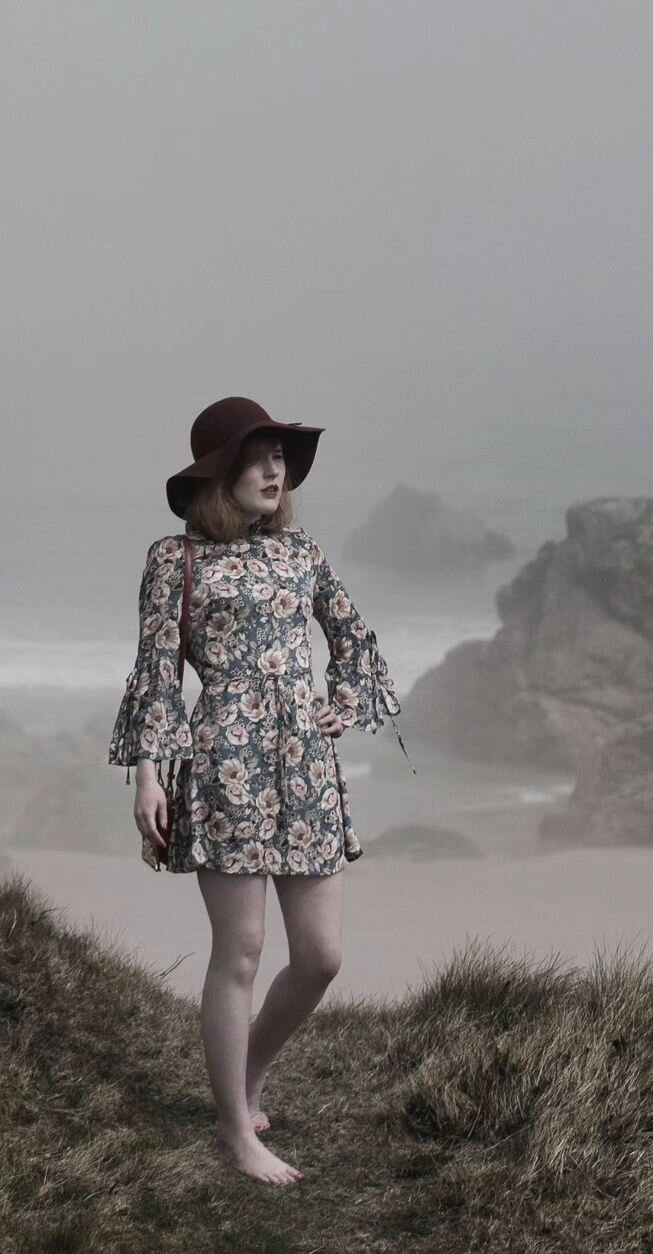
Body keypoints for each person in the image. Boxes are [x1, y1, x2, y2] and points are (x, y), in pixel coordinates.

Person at [108, 397, 414, 1187]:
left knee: (320, 957)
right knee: (239, 953)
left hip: (306, 768)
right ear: (220, 474)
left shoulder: (302, 553)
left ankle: (247, 1080)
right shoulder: (173, 562)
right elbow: (156, 673)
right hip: (225, 770)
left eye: (281, 454)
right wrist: (148, 771)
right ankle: (234, 1131)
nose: (275, 468)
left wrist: (341, 707)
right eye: (258, 455)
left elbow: (352, 635)